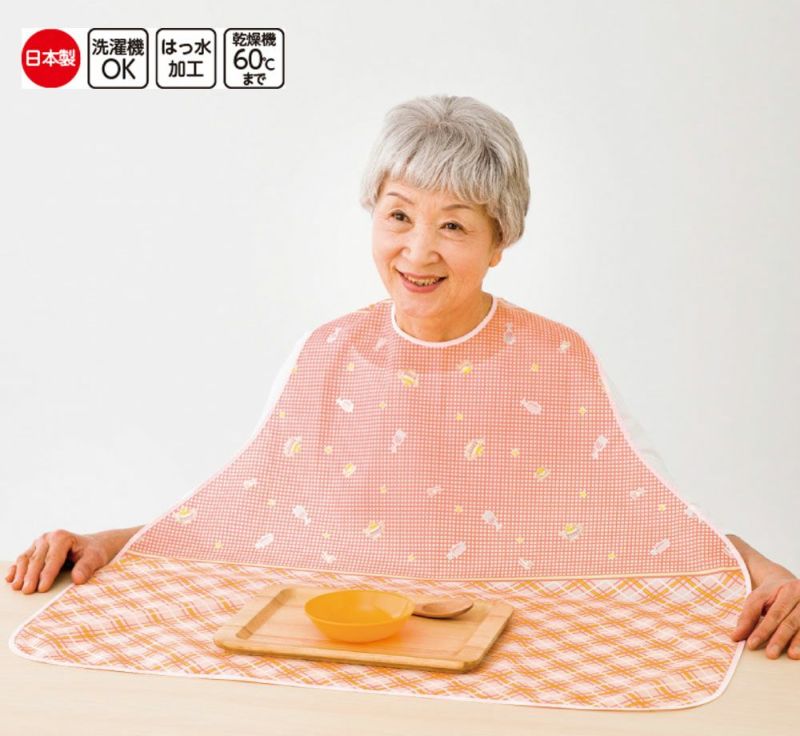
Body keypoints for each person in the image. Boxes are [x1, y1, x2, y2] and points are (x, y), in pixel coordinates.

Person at [6, 94, 799, 660]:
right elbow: (243, 509)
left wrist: (766, 574)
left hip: (507, 659)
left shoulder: (559, 361)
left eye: (453, 225)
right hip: (339, 661)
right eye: (398, 215)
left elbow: (658, 519)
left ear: (499, 242)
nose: (418, 251)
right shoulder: (325, 353)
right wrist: (105, 544)